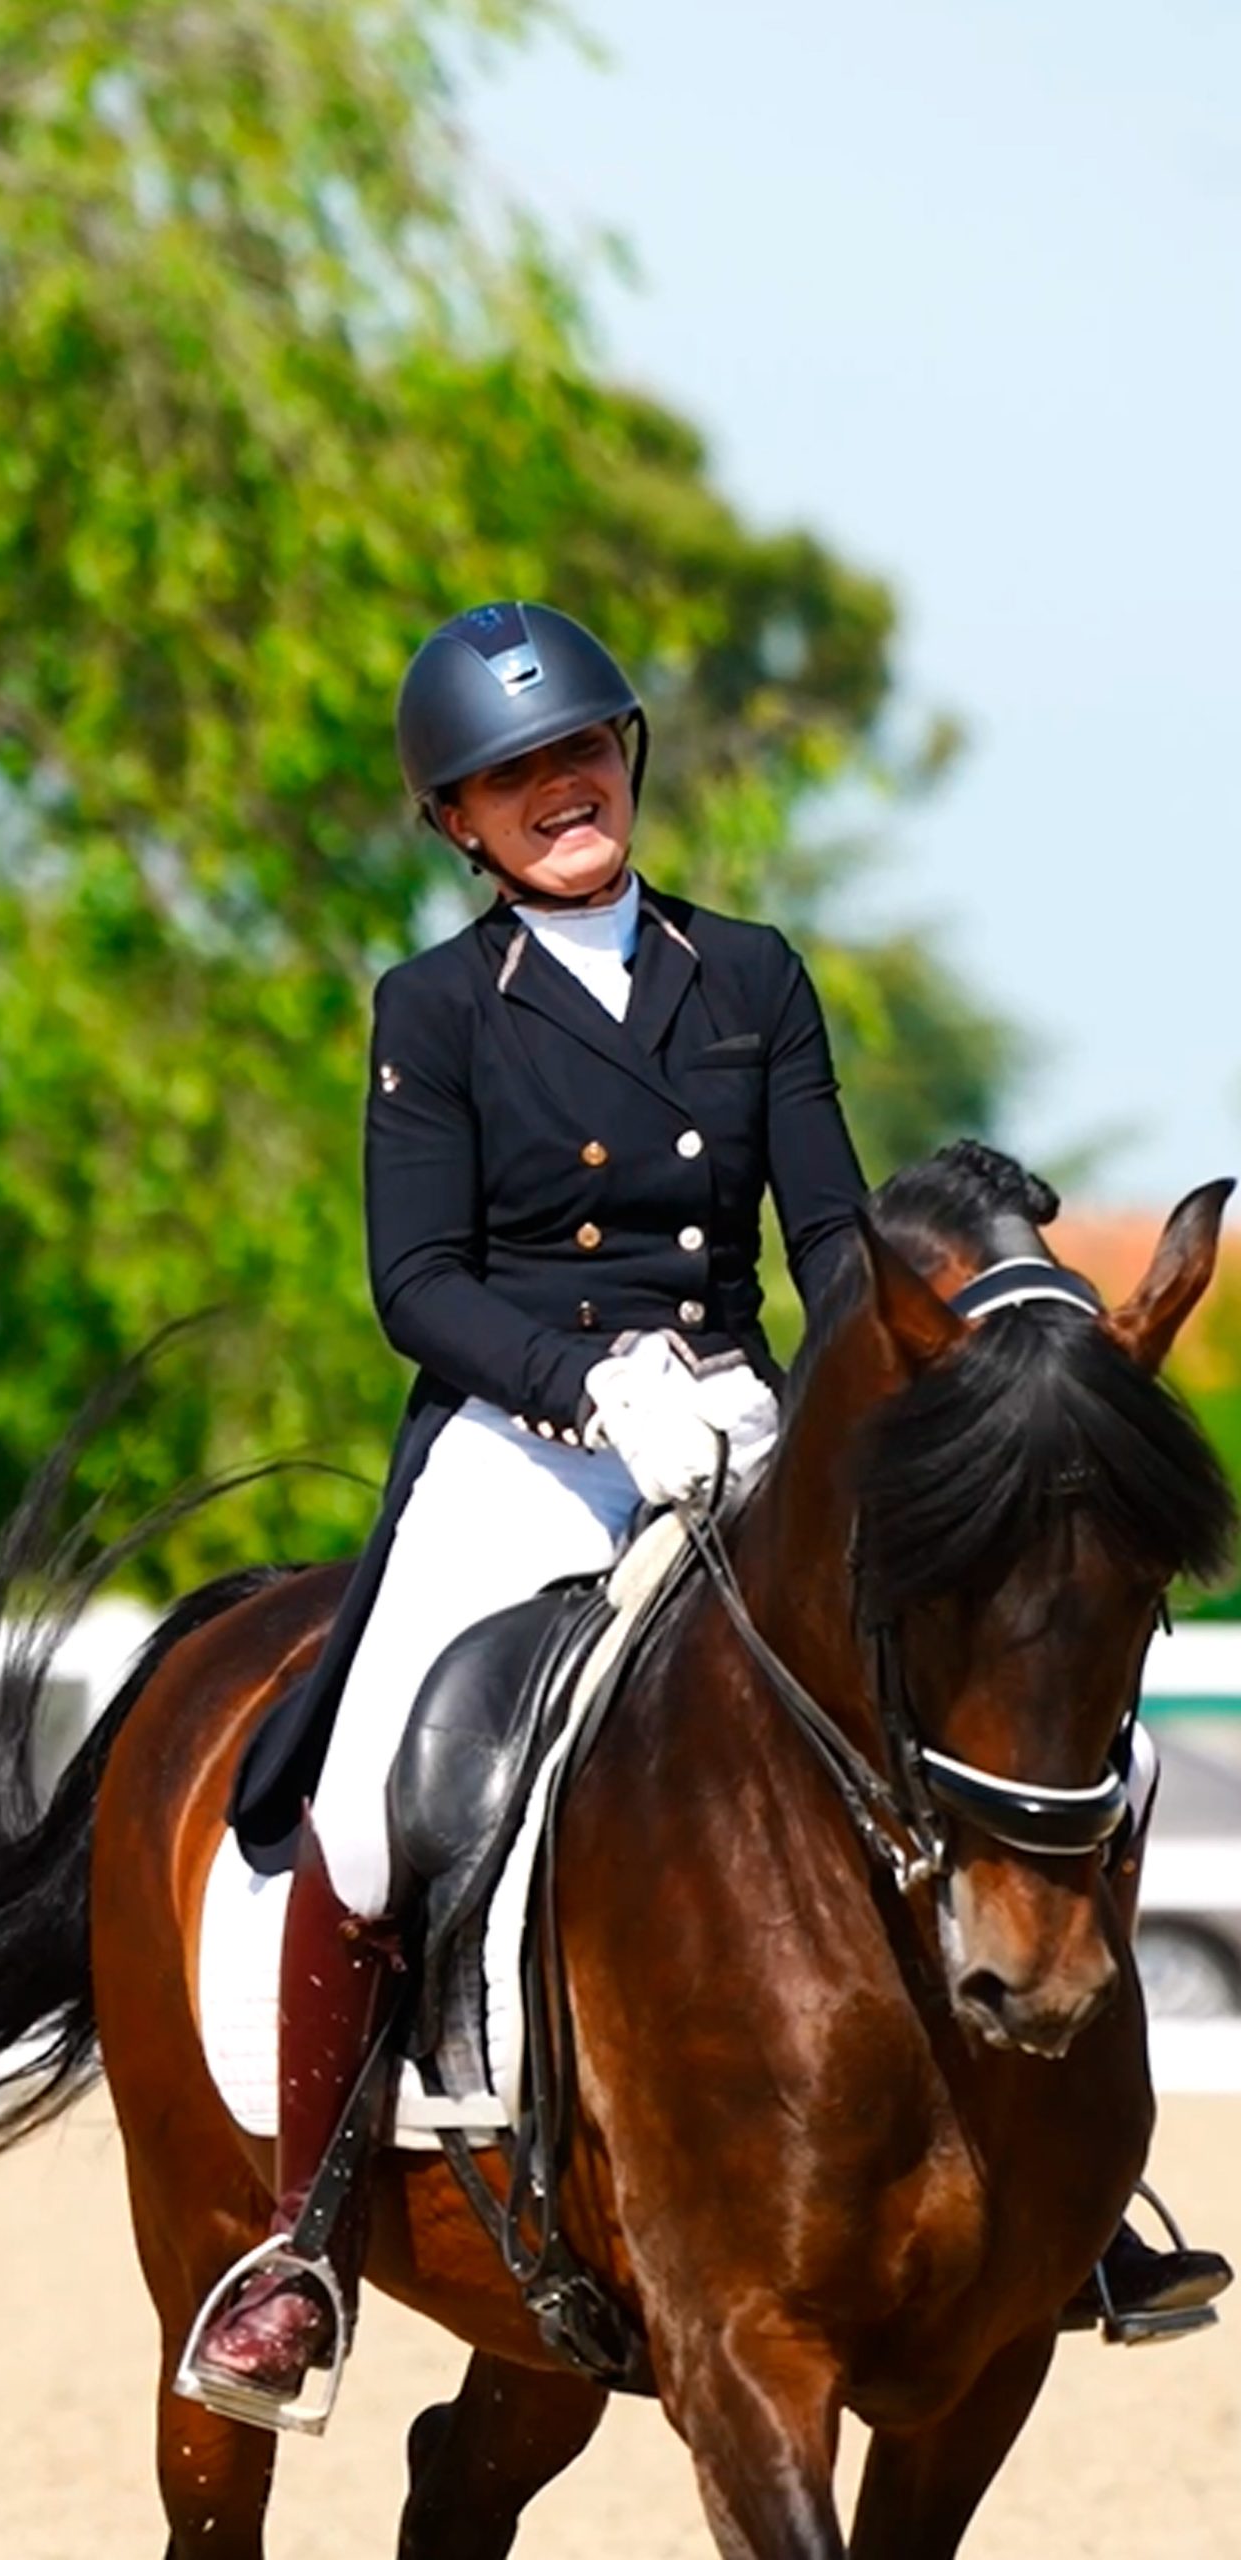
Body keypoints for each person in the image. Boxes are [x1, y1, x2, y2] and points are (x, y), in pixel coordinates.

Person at [189, 600, 1224, 2420]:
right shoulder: (431, 1010)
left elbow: (829, 1239)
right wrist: (582, 1383)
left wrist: (935, 1362)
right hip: (524, 1438)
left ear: (629, 760)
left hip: (742, 1415)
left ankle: (1077, 2191)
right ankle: (299, 2239)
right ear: (458, 821)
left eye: (579, 753)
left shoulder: (746, 975)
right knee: (366, 1804)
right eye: (512, 777)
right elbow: (413, 1277)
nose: (557, 790)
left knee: (1033, 1721)